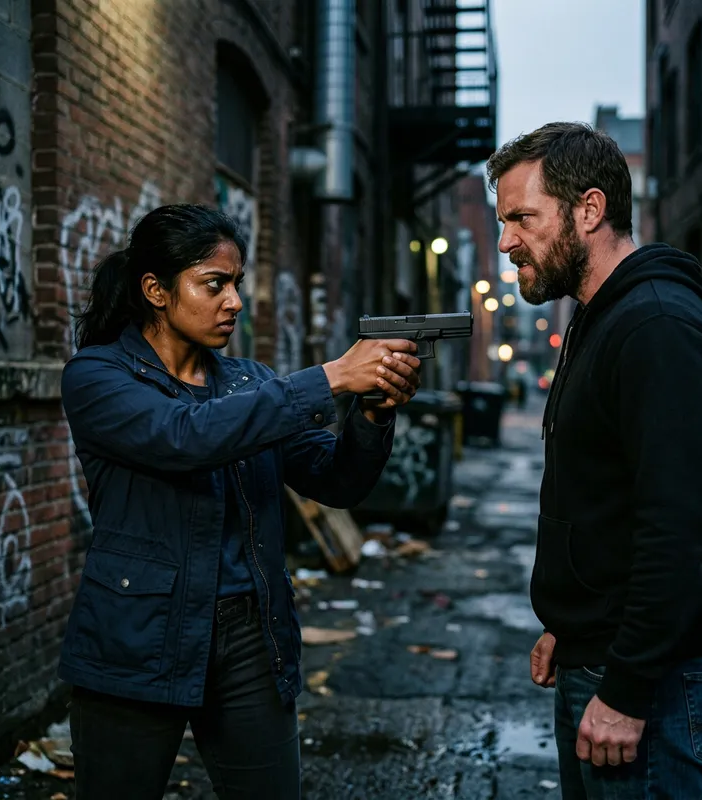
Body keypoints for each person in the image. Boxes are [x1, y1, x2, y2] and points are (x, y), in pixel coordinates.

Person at [59, 203, 421, 800]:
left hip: (250, 639)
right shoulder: (97, 377)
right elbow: (183, 436)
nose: (233, 301)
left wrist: (374, 413)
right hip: (135, 636)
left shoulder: (249, 382)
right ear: (155, 289)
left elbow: (334, 482)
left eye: (236, 284)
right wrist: (329, 377)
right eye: (213, 284)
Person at [486, 123, 702, 799]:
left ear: (589, 210)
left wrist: (625, 689)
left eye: (521, 219)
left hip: (650, 680)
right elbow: (604, 498)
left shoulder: (656, 328)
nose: (506, 241)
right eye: (502, 221)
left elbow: (681, 533)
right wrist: (570, 626)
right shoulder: (603, 319)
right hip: (601, 654)